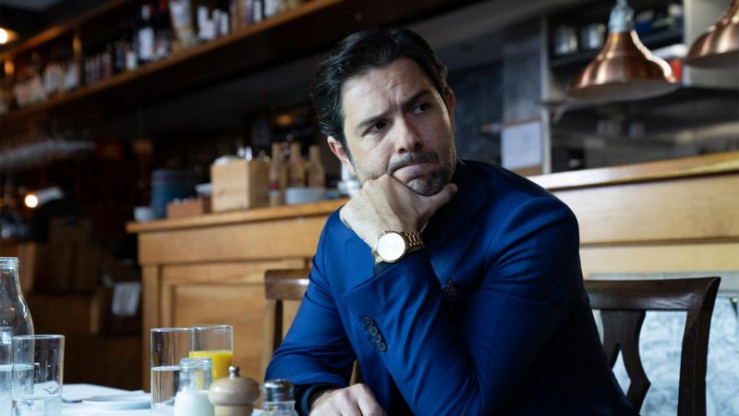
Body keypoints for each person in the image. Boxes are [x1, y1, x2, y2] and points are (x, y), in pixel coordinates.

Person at [266, 27, 634, 416]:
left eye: (420, 108)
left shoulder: (532, 225)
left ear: (449, 109)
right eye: (377, 126)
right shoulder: (343, 236)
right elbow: (295, 363)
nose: (408, 139)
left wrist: (394, 242)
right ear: (342, 153)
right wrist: (321, 398)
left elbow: (458, 410)